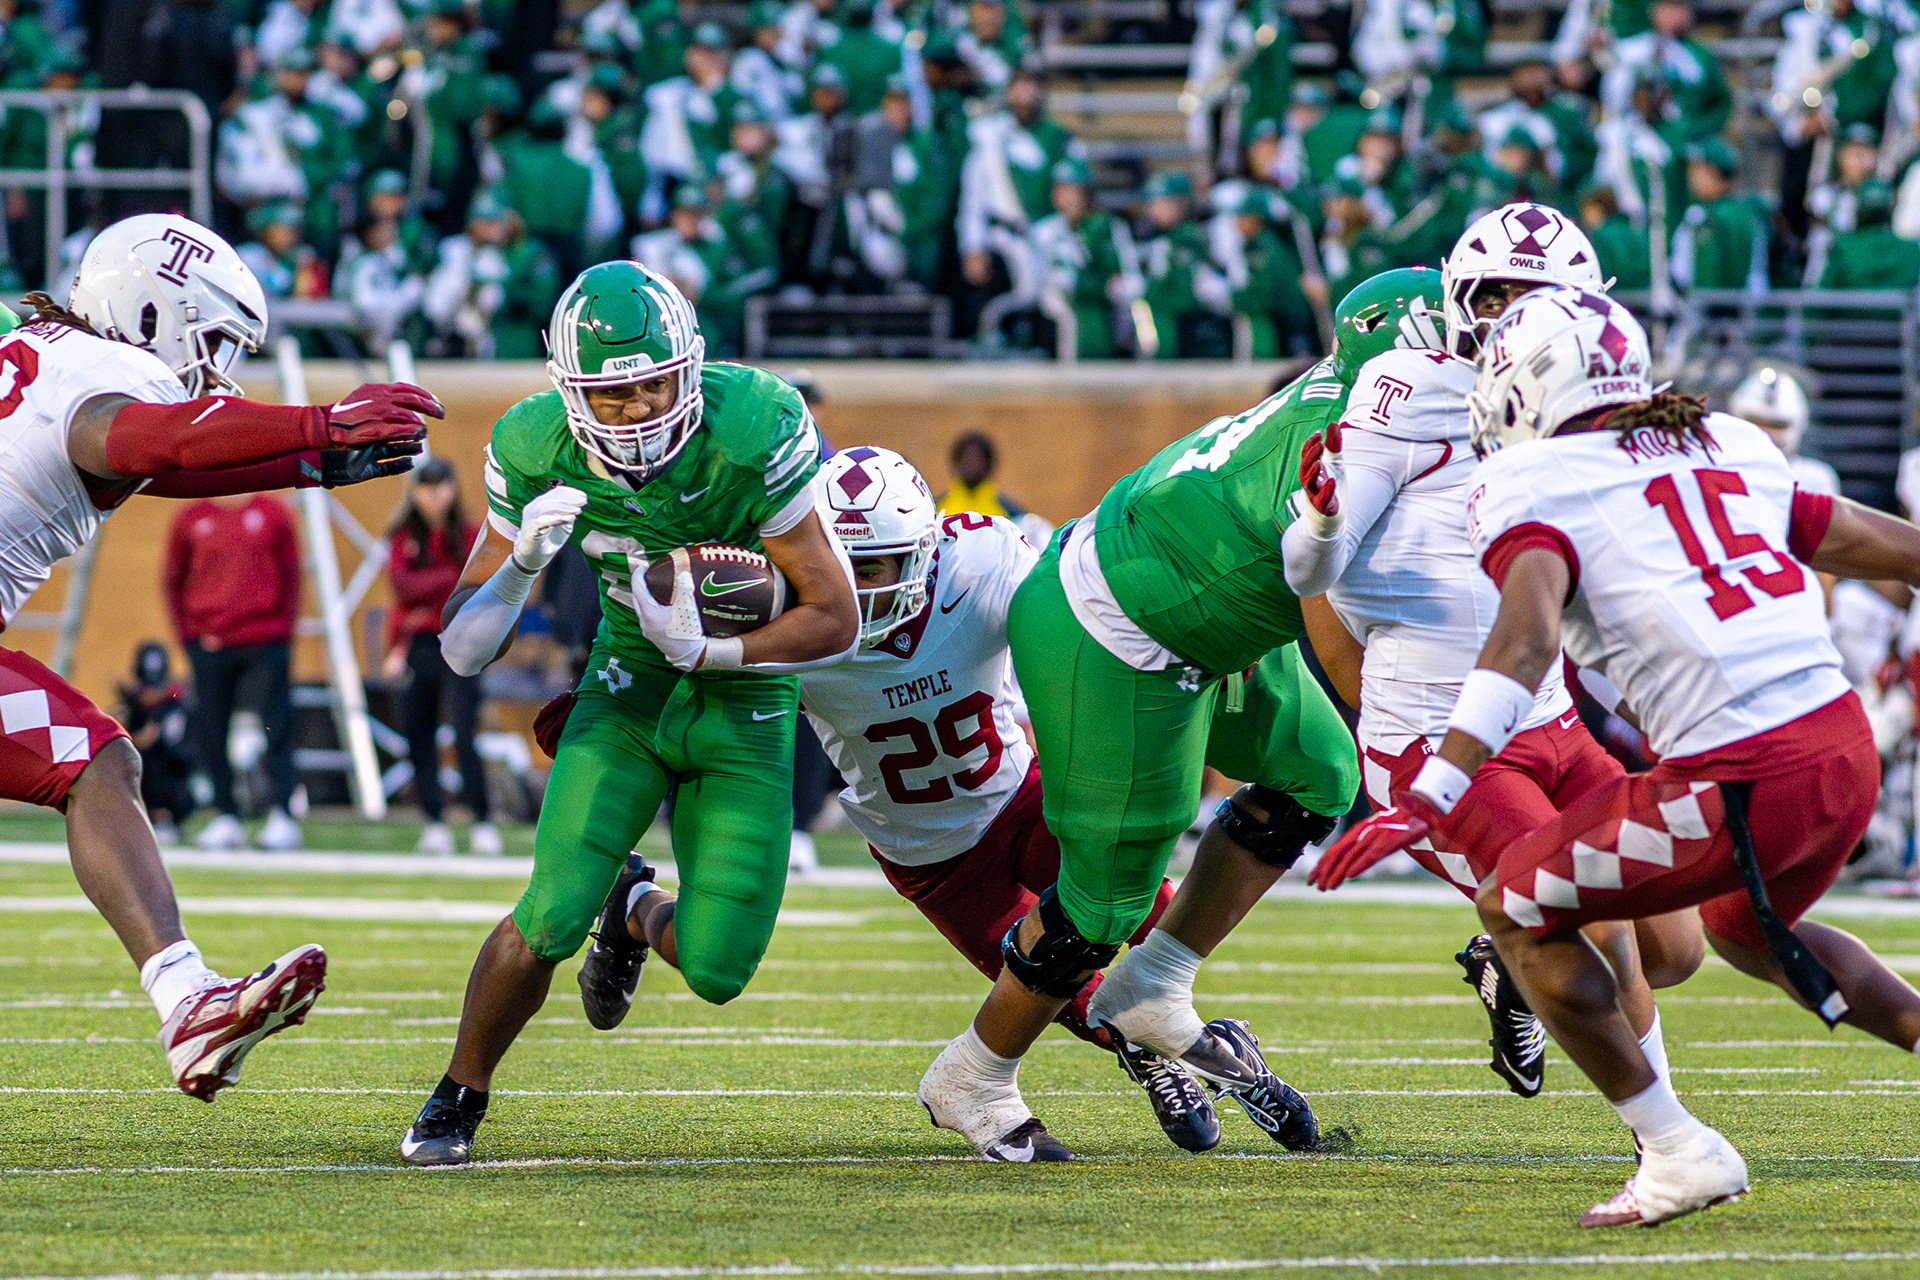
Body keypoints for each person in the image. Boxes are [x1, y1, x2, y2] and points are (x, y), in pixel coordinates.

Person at [1316, 287, 1920, 1227]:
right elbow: (1863, 537)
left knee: (1511, 910)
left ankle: (1678, 1150)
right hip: (1840, 746)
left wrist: (1433, 793)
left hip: (1741, 775)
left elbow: (1520, 644)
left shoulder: (1535, 482)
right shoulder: (1727, 441)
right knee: (1744, 933)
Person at [398, 261, 859, 1167]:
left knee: (721, 969)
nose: (639, 409)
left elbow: (834, 614)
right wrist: (523, 562)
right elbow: (459, 649)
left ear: (689, 368)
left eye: (654, 383)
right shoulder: (534, 444)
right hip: (629, 685)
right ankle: (460, 1091)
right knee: (549, 915)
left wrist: (721, 651)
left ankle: (638, 903)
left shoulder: (753, 424)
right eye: (613, 394)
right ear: (570, 392)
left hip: (745, 691)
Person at [918, 303, 1368, 1163]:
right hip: (1119, 634)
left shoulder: (1349, 409)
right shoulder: (1342, 444)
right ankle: (972, 1074)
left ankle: (1156, 983)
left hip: (1204, 621)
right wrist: (1428, 767)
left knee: (1318, 771)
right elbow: (1339, 624)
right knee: (1104, 902)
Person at [0, 211, 433, 1098]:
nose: (218, 375)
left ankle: (188, 999)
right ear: (154, 311)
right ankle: (187, 1000)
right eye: (214, 343)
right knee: (92, 761)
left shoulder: (52, 355)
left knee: (95, 760)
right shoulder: (103, 371)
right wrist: (316, 422)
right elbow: (164, 441)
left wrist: (310, 462)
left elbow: (158, 457)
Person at [1284, 257, 1697, 1099]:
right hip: (1443, 733)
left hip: (1552, 722)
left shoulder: (1541, 416)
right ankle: (1672, 1141)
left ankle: (1512, 965)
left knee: (1675, 947)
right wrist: (1423, 759)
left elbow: (1585, 595)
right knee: (1603, 925)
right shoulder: (1383, 425)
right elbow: (1319, 601)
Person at [759, 446, 1214, 1155]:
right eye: (843, 569)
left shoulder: (981, 560)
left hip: (1018, 797)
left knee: (1147, 897)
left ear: (924, 549)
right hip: (933, 856)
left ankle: (1189, 1034)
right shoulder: (788, 618)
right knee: (1058, 988)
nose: (860, 590)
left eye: (875, 567)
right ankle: (1150, 1056)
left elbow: (1076, 625)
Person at [165, 490, 304, 852]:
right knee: (212, 730)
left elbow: (291, 574)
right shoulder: (191, 518)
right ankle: (226, 814)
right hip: (210, 643)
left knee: (276, 725)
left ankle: (282, 814)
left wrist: (283, 632)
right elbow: (173, 580)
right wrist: (190, 638)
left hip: (266, 639)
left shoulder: (273, 512)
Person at [384, 457, 499, 857]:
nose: (434, 497)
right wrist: (446, 579)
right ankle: (434, 818)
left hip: (461, 641)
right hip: (419, 644)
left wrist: (439, 584)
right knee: (419, 730)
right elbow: (402, 585)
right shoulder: (404, 535)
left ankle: (481, 817)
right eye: (426, 488)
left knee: (465, 731)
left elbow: (475, 582)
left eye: (441, 487)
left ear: (453, 489)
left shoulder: (467, 533)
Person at [115, 642, 194, 846]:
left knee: (153, 755)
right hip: (135, 788)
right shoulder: (129, 713)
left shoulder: (173, 711)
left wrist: (155, 729)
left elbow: (183, 755)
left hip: (173, 785)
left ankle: (163, 817)